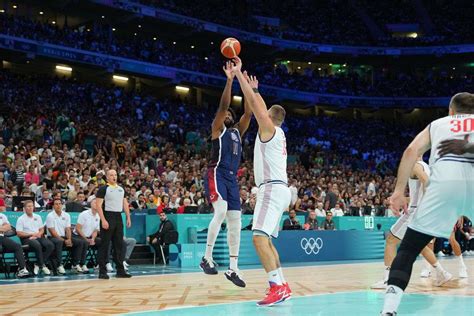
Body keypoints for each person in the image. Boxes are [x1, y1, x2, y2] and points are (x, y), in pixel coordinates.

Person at [381, 92, 474, 316]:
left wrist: (398, 192)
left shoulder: (437, 124)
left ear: (451, 111)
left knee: (408, 249)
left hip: (442, 187)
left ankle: (388, 310)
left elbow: (411, 151)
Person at [232, 57, 292, 306]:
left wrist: (239, 76)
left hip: (271, 189)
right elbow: (261, 106)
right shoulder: (277, 131)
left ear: (268, 117)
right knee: (264, 238)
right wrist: (255, 90)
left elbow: (257, 108)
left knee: (257, 238)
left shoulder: (269, 130)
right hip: (280, 189)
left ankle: (276, 287)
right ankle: (282, 284)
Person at [200, 61, 251, 288]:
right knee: (220, 211)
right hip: (216, 172)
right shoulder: (217, 129)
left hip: (231, 178)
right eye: (227, 114)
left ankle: (233, 267)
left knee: (235, 222)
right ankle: (206, 257)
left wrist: (244, 81)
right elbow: (223, 107)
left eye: (232, 113)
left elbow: (249, 113)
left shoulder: (237, 132)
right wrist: (230, 80)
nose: (229, 114)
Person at [371, 158, 452, 290]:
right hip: (421, 211)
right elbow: (419, 194)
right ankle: (441, 273)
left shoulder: (415, 165)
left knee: (391, 240)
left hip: (415, 212)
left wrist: (425, 205)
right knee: (419, 245)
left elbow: (428, 183)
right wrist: (402, 199)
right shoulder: (426, 166)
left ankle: (387, 280)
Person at [96, 169, 132, 279]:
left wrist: (128, 217)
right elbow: (98, 206)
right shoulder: (103, 189)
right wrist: (103, 220)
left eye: (115, 174)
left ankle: (120, 270)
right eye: (111, 175)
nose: (114, 177)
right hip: (107, 216)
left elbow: (125, 203)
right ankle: (102, 271)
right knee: (105, 245)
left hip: (118, 217)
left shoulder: (121, 189)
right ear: (107, 177)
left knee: (119, 245)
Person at [46, 198, 88, 274]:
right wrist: (64, 240)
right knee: (59, 242)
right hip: (53, 237)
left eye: (59, 204)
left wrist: (69, 239)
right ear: (53, 206)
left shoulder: (66, 215)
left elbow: (68, 229)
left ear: (62, 205)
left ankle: (75, 264)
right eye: (56, 204)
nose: (58, 205)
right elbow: (52, 232)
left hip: (64, 236)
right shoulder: (50, 216)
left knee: (80, 242)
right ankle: (59, 265)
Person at [16, 200, 54, 275]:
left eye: (31, 206)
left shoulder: (38, 216)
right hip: (27, 239)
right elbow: (19, 233)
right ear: (24, 208)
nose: (30, 208)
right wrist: (31, 235)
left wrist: (38, 234)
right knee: (37, 245)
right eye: (28, 206)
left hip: (37, 236)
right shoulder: (21, 219)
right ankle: (42, 265)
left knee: (50, 245)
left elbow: (42, 229)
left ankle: (38, 264)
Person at [73, 198, 101, 273]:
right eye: (95, 203)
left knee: (103, 242)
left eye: (98, 203)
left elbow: (95, 230)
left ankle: (98, 264)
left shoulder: (99, 215)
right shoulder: (84, 214)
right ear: (91, 204)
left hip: (89, 236)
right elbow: (78, 229)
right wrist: (86, 239)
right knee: (84, 242)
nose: (96, 204)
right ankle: (80, 264)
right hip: (78, 235)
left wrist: (93, 238)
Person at [0, 212, 30, 278]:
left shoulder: (2, 215)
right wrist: (2, 228)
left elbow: (8, 227)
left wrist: (3, 228)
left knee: (17, 246)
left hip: (1, 237)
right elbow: (5, 228)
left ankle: (22, 269)